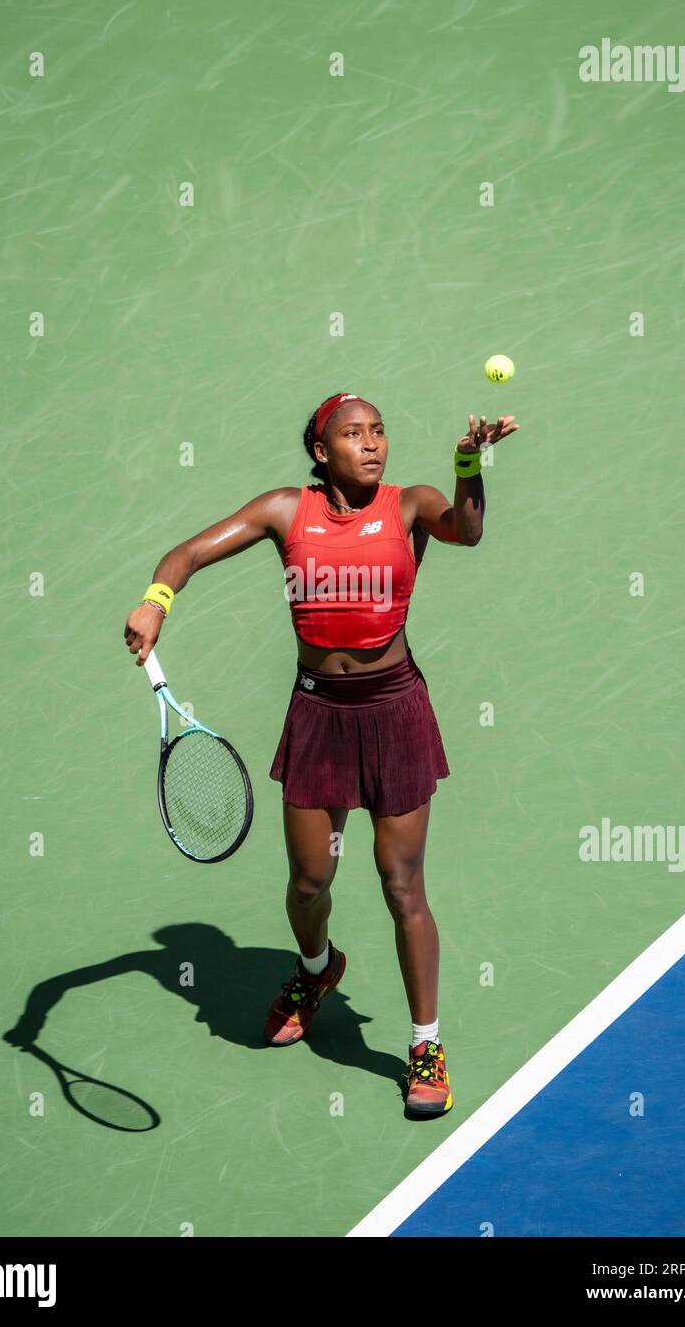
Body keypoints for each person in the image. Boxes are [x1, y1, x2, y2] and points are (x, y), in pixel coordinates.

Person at [124, 392, 519, 1116]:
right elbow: (188, 553)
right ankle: (317, 968)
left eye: (379, 432)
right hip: (319, 716)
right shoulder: (285, 511)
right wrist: (157, 599)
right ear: (320, 450)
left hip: (395, 711)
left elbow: (466, 529)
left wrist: (470, 462)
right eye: (353, 434)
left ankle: (425, 1044)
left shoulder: (409, 505)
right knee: (309, 881)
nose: (371, 445)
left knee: (401, 885)